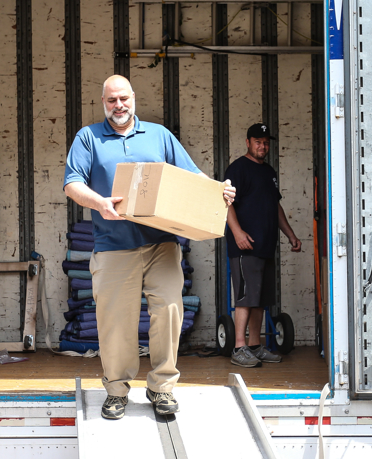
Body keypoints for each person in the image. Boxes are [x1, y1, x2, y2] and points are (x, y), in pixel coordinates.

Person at [63, 75, 236, 420]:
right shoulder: (89, 138)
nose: (119, 106)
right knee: (114, 322)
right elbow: (72, 183)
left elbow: (192, 176)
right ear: (103, 103)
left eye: (123, 99)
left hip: (161, 245)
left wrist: (219, 190)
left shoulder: (158, 135)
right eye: (111, 100)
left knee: (170, 312)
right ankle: (116, 391)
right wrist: (99, 203)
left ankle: (162, 388)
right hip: (113, 247)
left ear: (134, 98)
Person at [224, 123, 302, 368]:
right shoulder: (237, 169)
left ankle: (255, 346)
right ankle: (239, 347)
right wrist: (237, 233)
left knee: (260, 299)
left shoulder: (268, 172)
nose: (263, 146)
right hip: (244, 246)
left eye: (266, 142)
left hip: (266, 245)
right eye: (258, 141)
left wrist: (290, 235)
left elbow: (274, 206)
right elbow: (225, 202)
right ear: (248, 142)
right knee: (246, 298)